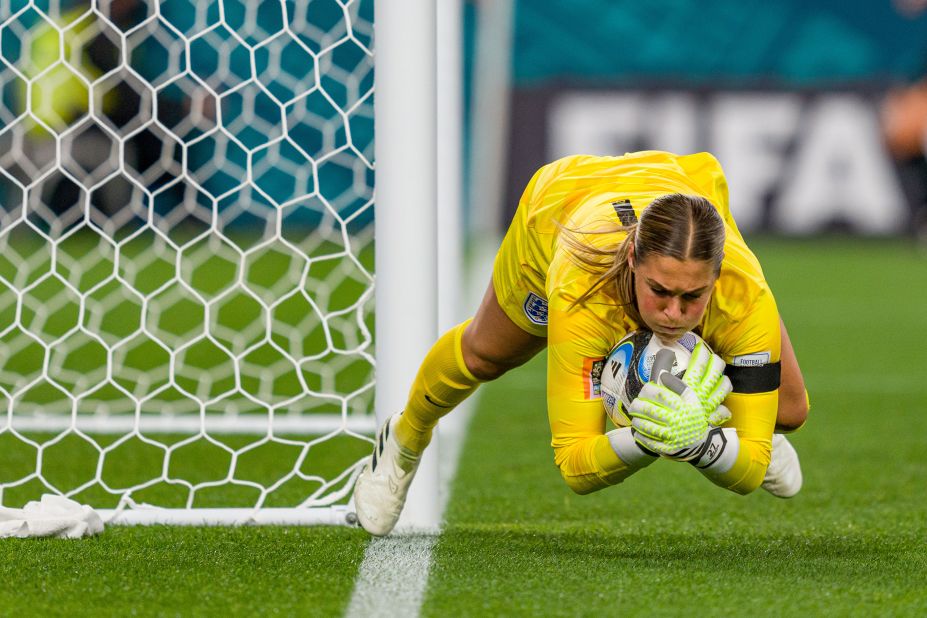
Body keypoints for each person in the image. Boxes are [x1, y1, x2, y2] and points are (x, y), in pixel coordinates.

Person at [353, 150, 809, 536]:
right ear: (632, 260)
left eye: (693, 296)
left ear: (717, 274)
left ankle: (720, 410)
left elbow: (751, 470)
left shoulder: (745, 294)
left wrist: (699, 442)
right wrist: (648, 438)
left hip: (681, 182)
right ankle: (404, 439)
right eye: (659, 290)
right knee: (485, 355)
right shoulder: (580, 287)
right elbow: (575, 462)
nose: (673, 312)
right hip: (558, 211)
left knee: (789, 412)